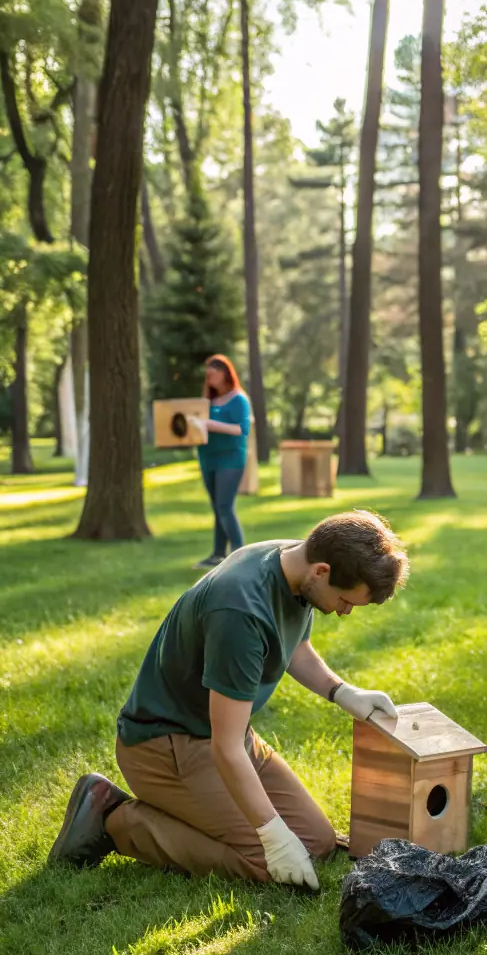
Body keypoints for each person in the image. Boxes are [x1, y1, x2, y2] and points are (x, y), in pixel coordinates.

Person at [48, 512, 409, 890]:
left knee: (316, 844)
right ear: (321, 571)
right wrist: (272, 836)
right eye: (344, 600)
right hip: (167, 747)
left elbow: (294, 646)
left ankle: (184, 814)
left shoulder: (294, 564)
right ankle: (114, 819)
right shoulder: (240, 610)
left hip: (227, 736)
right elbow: (225, 748)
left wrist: (342, 692)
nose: (344, 611)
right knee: (268, 863)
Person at [189, 354, 251, 571]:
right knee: (218, 508)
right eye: (207, 376)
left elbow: (242, 429)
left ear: (225, 373)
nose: (210, 380)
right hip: (208, 458)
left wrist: (210, 424)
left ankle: (239, 555)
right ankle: (217, 554)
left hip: (230, 459)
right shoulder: (207, 402)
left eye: (213, 375)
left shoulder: (238, 399)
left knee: (225, 506)